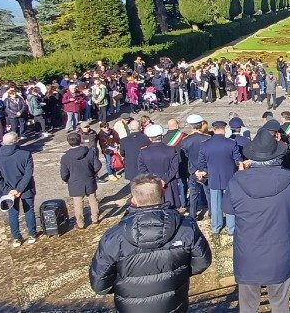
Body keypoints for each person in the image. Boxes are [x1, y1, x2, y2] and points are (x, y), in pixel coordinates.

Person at [89, 174, 212, 312]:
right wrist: (178, 274)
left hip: (131, 307)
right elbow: (202, 261)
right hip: (173, 304)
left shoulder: (114, 237)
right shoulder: (186, 228)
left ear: (133, 199)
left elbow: (99, 284)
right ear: (163, 194)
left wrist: (124, 285)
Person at [223, 129, 290, 313]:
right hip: (280, 253)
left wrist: (240, 175)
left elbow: (228, 209)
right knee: (280, 305)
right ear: (278, 156)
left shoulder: (236, 181)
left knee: (247, 306)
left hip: (247, 254)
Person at [0, 132, 38, 247]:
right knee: (29, 210)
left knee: (13, 214)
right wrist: (20, 189)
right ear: (16, 141)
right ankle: (32, 234)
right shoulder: (25, 154)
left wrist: (8, 190)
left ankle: (16, 238)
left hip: (9, 191)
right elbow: (28, 173)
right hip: (26, 189)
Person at [197, 120, 241, 235]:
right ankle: (231, 228)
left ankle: (216, 227)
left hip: (214, 177)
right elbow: (238, 161)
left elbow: (201, 163)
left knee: (215, 205)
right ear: (225, 129)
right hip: (229, 177)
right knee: (230, 204)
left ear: (214, 129)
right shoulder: (231, 143)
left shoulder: (205, 144)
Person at [60, 132, 102, 229]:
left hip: (74, 183)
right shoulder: (89, 152)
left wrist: (68, 180)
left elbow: (64, 174)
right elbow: (98, 165)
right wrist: (92, 173)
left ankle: (80, 224)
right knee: (93, 201)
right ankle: (95, 219)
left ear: (68, 142)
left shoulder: (65, 157)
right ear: (80, 140)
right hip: (89, 179)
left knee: (78, 204)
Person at [138, 124, 181, 207]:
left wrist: (155, 180)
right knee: (170, 208)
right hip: (169, 183)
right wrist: (164, 179)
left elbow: (142, 169)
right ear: (162, 136)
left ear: (150, 138)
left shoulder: (143, 152)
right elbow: (174, 168)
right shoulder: (171, 150)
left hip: (152, 184)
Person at [180, 114, 211, 220]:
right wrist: (204, 170)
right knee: (208, 192)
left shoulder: (186, 140)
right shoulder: (208, 138)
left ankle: (193, 214)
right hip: (206, 170)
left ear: (190, 126)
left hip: (193, 170)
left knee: (193, 194)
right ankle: (211, 212)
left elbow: (186, 156)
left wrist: (195, 170)